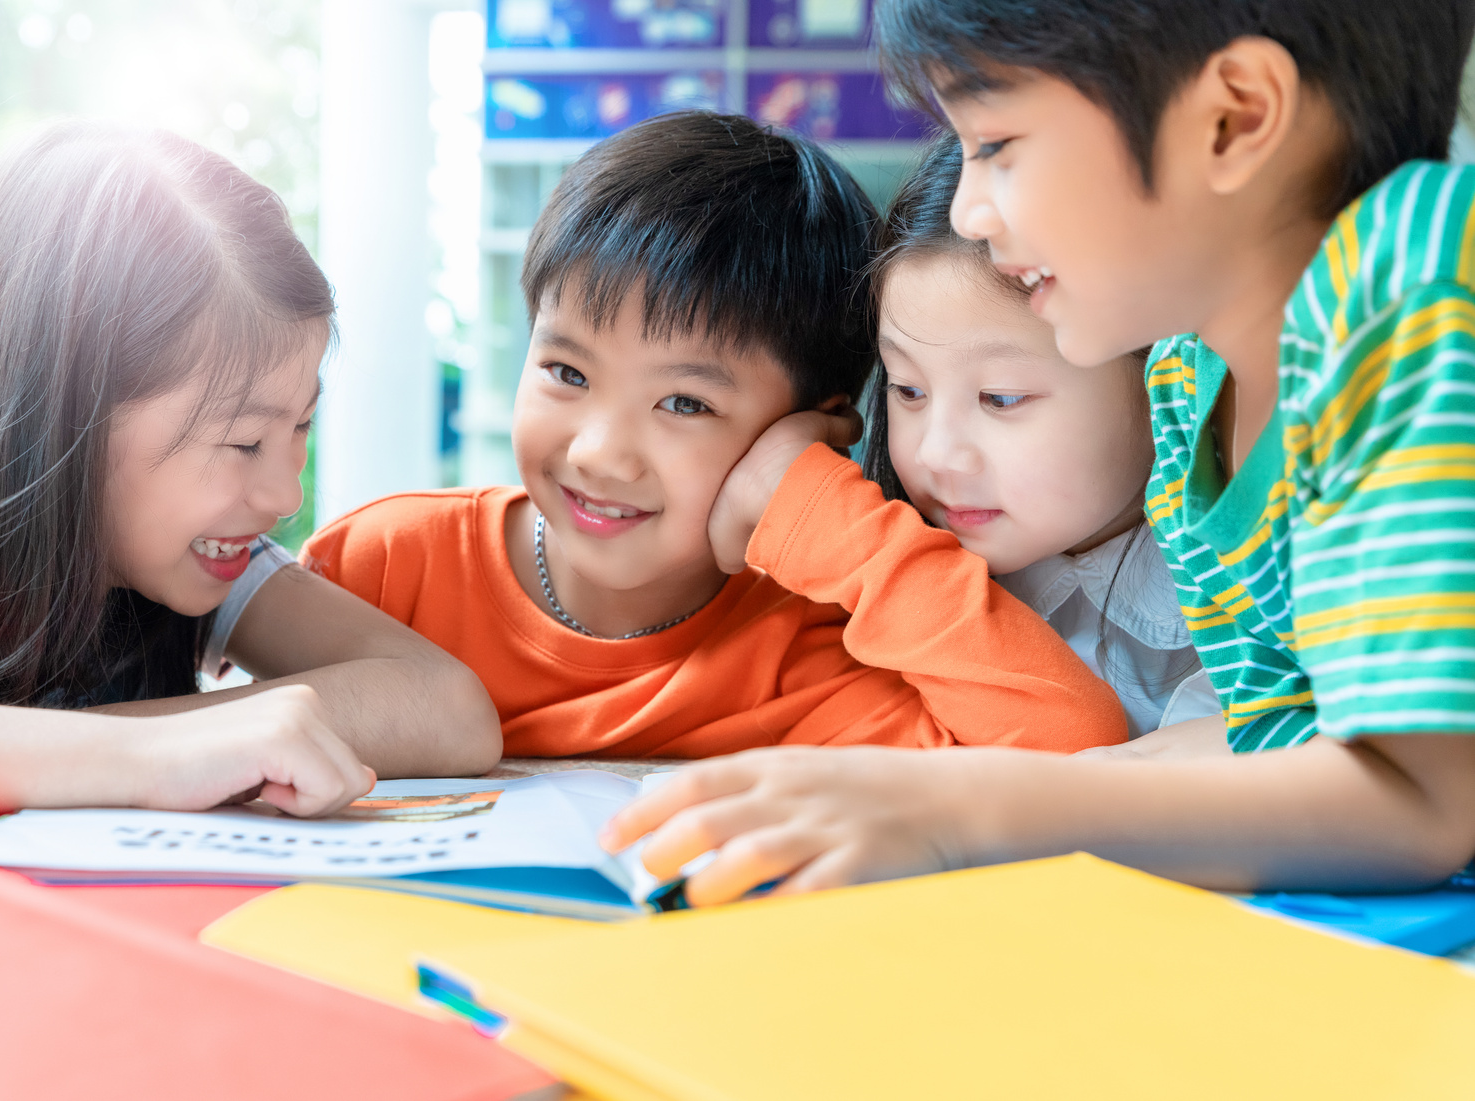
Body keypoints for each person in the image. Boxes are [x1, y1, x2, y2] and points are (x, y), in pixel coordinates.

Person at [601, 0, 1475, 904]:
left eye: (998, 145)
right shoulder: (1186, 378)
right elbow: (1270, 747)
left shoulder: (1416, 275)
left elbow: (1419, 800)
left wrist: (958, 809)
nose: (972, 212)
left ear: (1235, 116)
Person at [302, 111, 1127, 759]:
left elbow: (1071, 747)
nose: (596, 452)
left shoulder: (812, 647)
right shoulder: (385, 568)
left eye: (685, 405)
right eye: (567, 372)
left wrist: (818, 510)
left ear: (812, 426)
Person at [0, 122, 501, 828]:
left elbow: (449, 707)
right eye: (243, 442)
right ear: (67, 414)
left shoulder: (190, 566)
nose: (285, 496)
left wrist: (194, 740)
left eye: (300, 428)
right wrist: (147, 754)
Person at [855, 131, 1220, 740]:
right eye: (909, 391)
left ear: (1159, 365)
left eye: (1001, 398)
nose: (936, 453)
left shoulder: (1252, 596)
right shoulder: (900, 575)